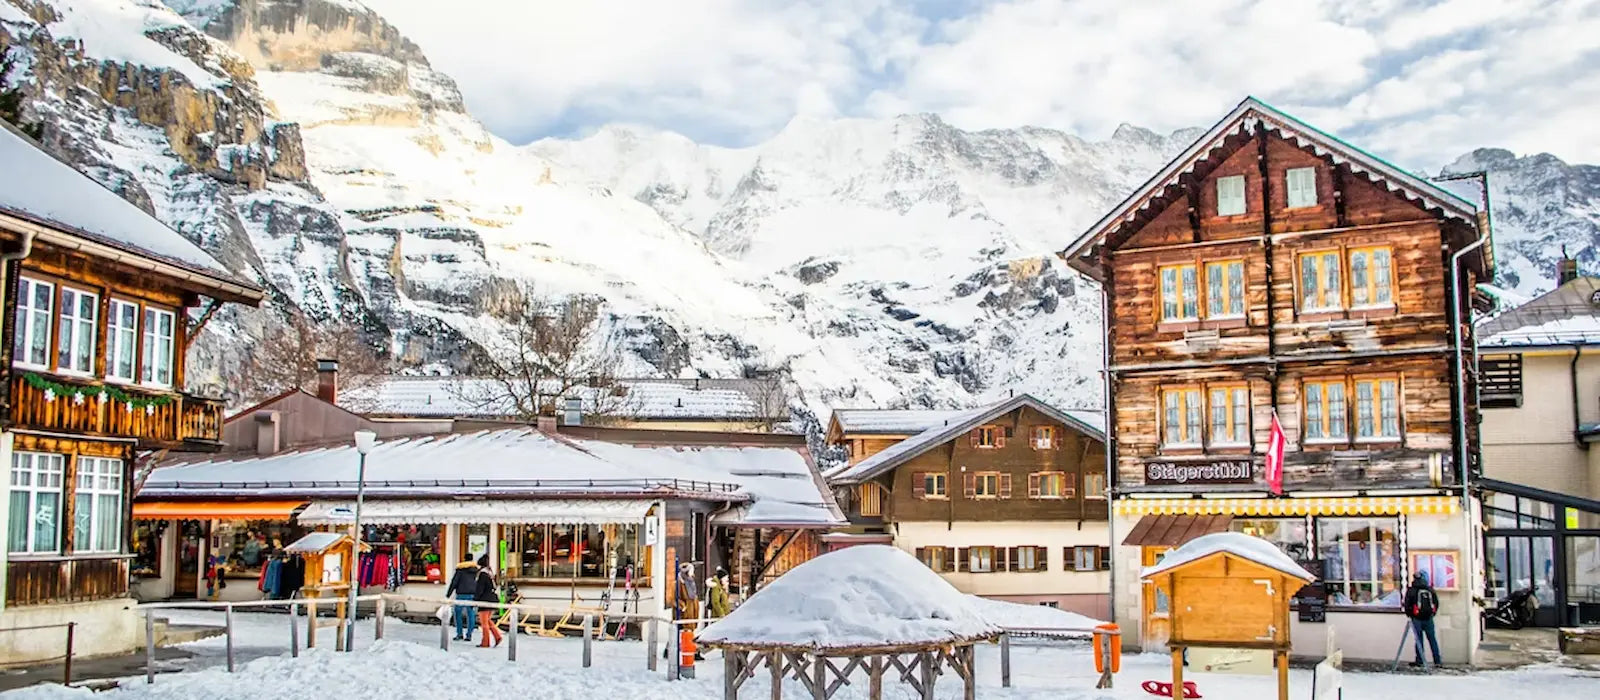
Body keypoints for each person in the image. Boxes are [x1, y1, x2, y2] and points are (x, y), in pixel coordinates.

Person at [1403, 571, 1442, 667]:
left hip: (1416, 618)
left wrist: (1410, 615)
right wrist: (1432, 614)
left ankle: (1420, 660)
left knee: (1419, 640)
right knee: (1432, 640)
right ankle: (1437, 661)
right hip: (1429, 618)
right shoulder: (1430, 589)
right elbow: (1436, 603)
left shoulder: (1411, 590)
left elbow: (1407, 604)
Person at [445, 553, 479, 642]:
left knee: (457, 613)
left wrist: (448, 594)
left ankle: (459, 633)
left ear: (464, 559)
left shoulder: (460, 570)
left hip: (461, 594)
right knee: (471, 614)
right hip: (472, 594)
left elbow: (454, 582)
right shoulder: (476, 570)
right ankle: (469, 635)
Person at [474, 555, 505, 648]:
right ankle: (497, 636)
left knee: (484, 622)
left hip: (485, 599)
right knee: (488, 620)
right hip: (492, 599)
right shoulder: (490, 573)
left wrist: (475, 599)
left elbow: (480, 589)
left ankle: (485, 642)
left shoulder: (482, 575)